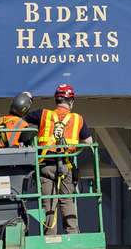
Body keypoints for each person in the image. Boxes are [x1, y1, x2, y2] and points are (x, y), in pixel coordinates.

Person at [23, 85, 93, 235]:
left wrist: (26, 98)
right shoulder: (78, 119)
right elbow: (89, 142)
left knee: (48, 201)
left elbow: (22, 118)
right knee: (67, 200)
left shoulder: (43, 114)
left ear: (56, 100)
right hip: (66, 166)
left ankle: (50, 235)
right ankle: (72, 232)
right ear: (71, 101)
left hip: (45, 166)